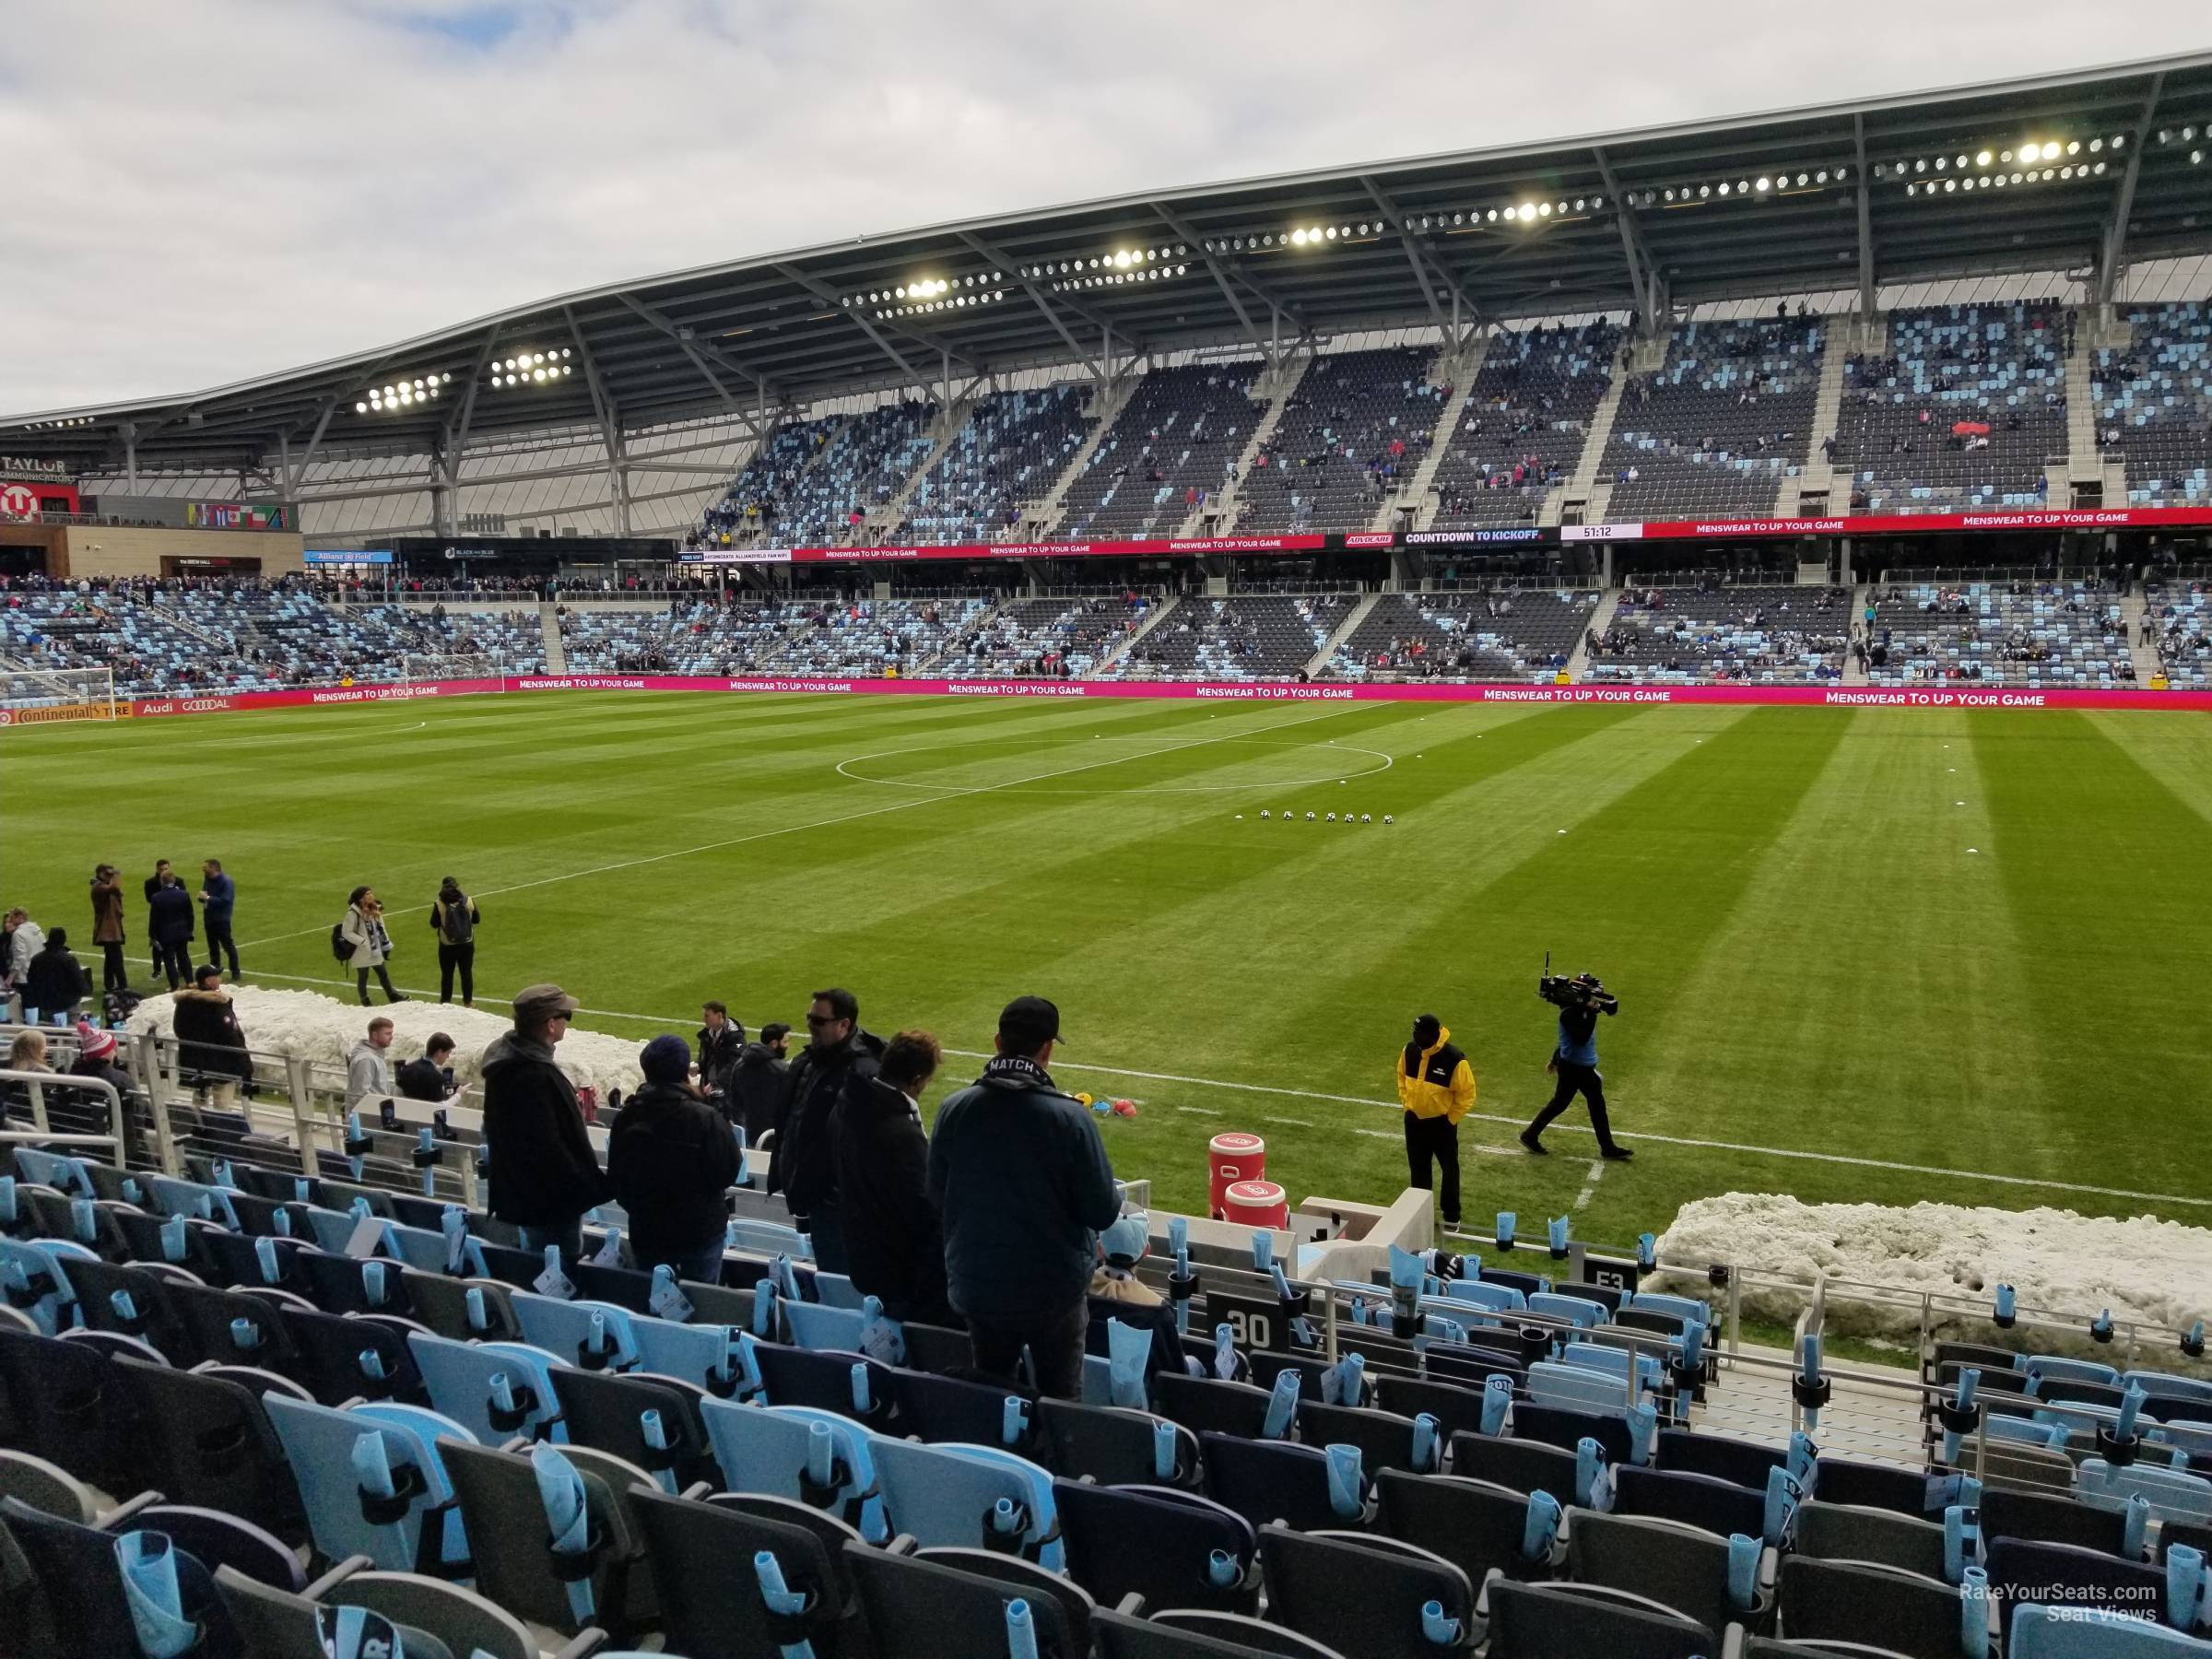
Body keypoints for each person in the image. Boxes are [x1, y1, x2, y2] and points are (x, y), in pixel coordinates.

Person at [929, 996, 1120, 1400]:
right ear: (1048, 1048)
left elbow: (936, 1195)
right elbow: (1102, 1209)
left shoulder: (953, 1109)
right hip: (1053, 1291)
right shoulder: (1070, 1119)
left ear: (998, 1042)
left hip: (977, 1285)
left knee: (991, 1394)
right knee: (1060, 1405)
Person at [830, 1029, 951, 1324]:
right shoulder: (899, 1132)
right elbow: (923, 1209)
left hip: (865, 1256)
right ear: (918, 1079)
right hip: (900, 1270)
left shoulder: (848, 1105)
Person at [482, 983, 608, 1258]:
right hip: (550, 1200)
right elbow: (548, 1145)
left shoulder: (507, 1062)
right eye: (566, 1016)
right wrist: (586, 1186)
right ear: (550, 1024)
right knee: (559, 1266)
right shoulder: (534, 1074)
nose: (567, 1022)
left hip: (527, 1193)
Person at [766, 988, 883, 1272]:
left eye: (818, 1021)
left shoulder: (864, 1071)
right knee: (830, 1275)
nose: (810, 1025)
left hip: (839, 1202)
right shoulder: (807, 1061)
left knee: (841, 1281)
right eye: (809, 1017)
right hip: (813, 1194)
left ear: (844, 1025)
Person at [606, 1034, 740, 1282]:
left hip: (647, 1229)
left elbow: (617, 1177)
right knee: (700, 1300)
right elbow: (728, 1170)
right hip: (699, 1231)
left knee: (654, 1297)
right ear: (683, 1070)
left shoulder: (628, 1116)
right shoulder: (705, 1118)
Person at [1522, 974, 1632, 1159]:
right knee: (1591, 1103)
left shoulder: (1578, 1010)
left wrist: (1555, 1059)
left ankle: (1530, 1135)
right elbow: (1580, 1039)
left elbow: (1566, 1043)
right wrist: (1593, 1012)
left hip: (1575, 1065)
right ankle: (1607, 1147)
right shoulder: (1569, 1013)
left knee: (1562, 1103)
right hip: (1576, 1068)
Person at [1396, 1014, 1475, 1229]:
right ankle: (1421, 1215)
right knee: (1418, 1169)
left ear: (1432, 1035)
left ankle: (1451, 1215)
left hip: (1442, 1124)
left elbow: (1467, 1094)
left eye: (1418, 1033)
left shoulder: (1454, 1059)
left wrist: (1451, 1119)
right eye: (1413, 1032)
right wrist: (1407, 1103)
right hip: (1414, 1121)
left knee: (1449, 1169)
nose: (1415, 1037)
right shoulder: (1409, 1050)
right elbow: (1401, 1077)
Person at [171, 963, 253, 1109]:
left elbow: (179, 1030)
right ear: (208, 981)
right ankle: (220, 1129)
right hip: (221, 1062)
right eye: (216, 976)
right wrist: (244, 1060)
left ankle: (200, 1127)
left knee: (199, 1097)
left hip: (195, 1060)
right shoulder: (216, 1005)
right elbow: (229, 1034)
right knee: (222, 1099)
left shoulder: (184, 1002)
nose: (220, 979)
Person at [726, 1021, 791, 1142]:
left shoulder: (739, 1064)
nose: (787, 1046)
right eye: (785, 1042)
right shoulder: (782, 1070)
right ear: (774, 1044)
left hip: (747, 1135)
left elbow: (734, 1100)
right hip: (772, 1136)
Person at [342, 886, 404, 1006]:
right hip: (361, 951)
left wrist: (386, 941)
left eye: (371, 893)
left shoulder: (375, 909)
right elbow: (346, 932)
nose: (371, 896)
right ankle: (365, 1000)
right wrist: (363, 942)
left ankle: (392, 995)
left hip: (375, 948)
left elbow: (381, 927)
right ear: (360, 899)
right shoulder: (353, 913)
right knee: (363, 976)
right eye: (367, 894)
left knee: (383, 974)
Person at [23, 928, 92, 1027]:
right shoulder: (69, 959)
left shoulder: (37, 959)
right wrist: (84, 991)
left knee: (50, 1029)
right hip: (68, 1003)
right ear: (63, 940)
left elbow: (31, 979)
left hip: (46, 1003)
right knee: (71, 1030)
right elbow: (78, 980)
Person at [429, 877, 478, 1006]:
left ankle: (445, 1002)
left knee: (447, 975)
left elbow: (434, 924)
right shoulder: (468, 900)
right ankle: (468, 1002)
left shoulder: (439, 903)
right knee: (466, 973)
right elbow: (476, 920)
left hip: (447, 945)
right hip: (467, 943)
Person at [147, 877, 196, 992]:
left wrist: (152, 935)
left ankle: (175, 986)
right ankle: (190, 982)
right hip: (183, 932)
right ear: (173, 881)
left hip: (166, 934)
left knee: (169, 960)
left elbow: (154, 919)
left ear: (161, 882)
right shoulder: (184, 894)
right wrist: (189, 930)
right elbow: (190, 914)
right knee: (184, 956)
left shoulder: (157, 897)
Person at [697, 1002, 746, 1106]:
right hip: (708, 1086)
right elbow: (704, 1057)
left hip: (727, 1090)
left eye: (707, 1015)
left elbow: (734, 1063)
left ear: (719, 1015)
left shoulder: (736, 1037)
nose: (703, 1019)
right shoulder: (706, 1034)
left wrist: (716, 1083)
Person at [90, 865, 128, 995]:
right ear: (100, 874)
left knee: (110, 959)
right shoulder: (98, 888)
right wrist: (116, 874)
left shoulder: (103, 886)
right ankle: (123, 986)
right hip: (108, 931)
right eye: (107, 874)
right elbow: (115, 888)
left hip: (111, 928)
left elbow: (118, 892)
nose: (110, 876)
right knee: (116, 958)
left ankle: (109, 985)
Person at [198, 859, 239, 981]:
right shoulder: (208, 879)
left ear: (213, 868)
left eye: (206, 867)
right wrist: (202, 898)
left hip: (222, 919)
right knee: (213, 947)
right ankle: (214, 971)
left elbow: (226, 901)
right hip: (209, 918)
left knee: (228, 946)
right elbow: (206, 896)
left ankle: (235, 971)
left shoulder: (226, 882)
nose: (203, 869)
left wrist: (208, 898)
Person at [347, 1016, 397, 1109]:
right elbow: (360, 1095)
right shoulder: (366, 1060)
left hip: (377, 1113)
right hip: (368, 1117)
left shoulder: (376, 1056)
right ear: (375, 1035)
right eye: (387, 1034)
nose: (391, 1037)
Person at [396, 1033, 458, 1102]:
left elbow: (397, 1095)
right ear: (439, 1052)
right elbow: (440, 1108)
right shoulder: (436, 1078)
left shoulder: (406, 1069)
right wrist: (458, 1095)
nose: (448, 1057)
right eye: (448, 1053)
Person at [141, 860, 173, 980]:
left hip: (173, 917)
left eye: (166, 869)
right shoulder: (150, 883)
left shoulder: (177, 881)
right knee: (156, 945)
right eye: (162, 869)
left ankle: (180, 969)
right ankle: (157, 970)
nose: (164, 871)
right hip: (158, 917)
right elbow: (150, 899)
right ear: (157, 869)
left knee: (178, 945)